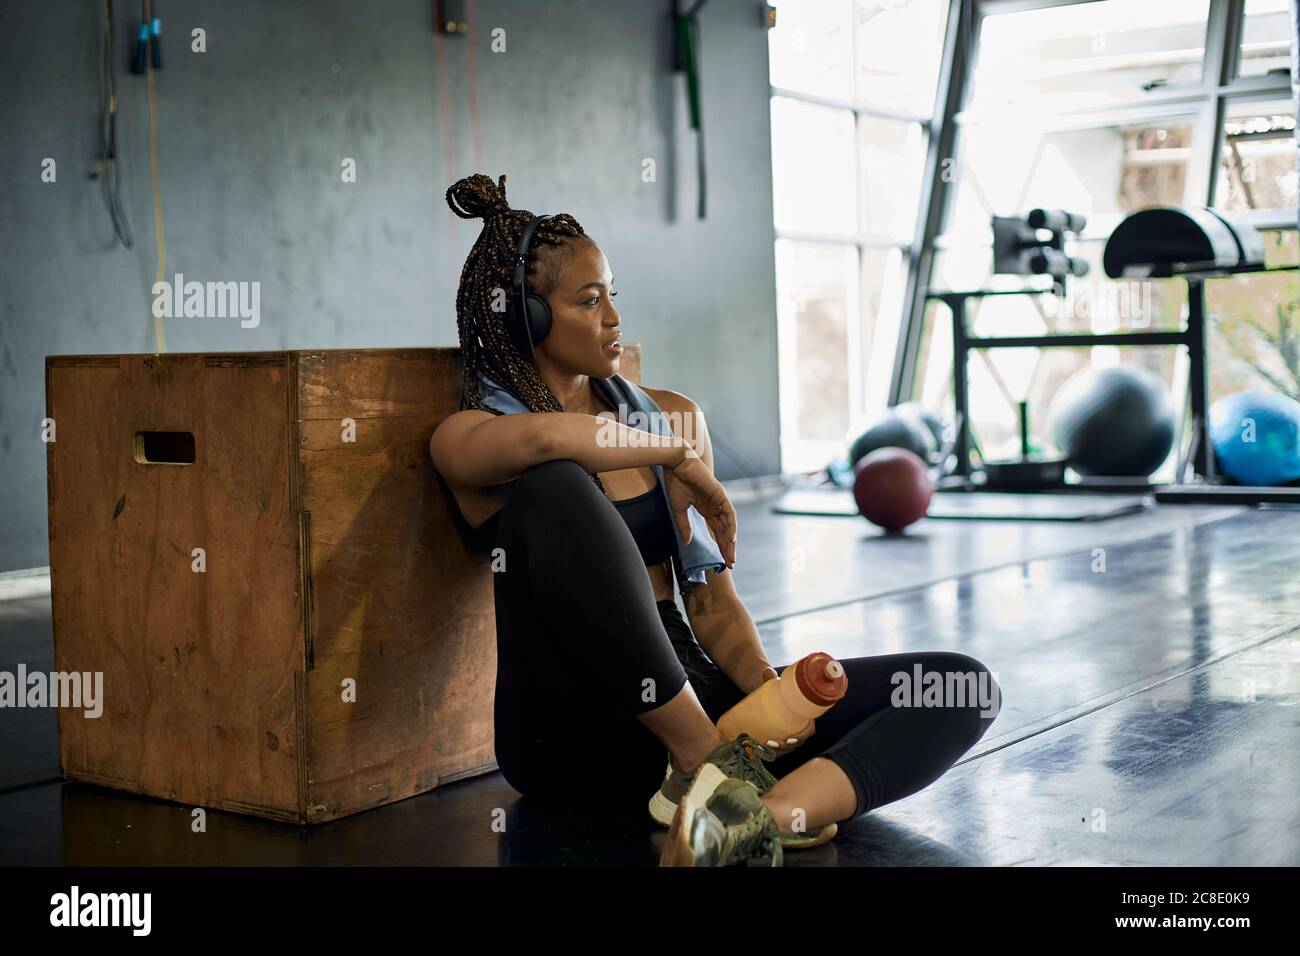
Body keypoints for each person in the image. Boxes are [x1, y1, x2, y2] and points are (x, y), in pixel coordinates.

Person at [430, 173, 1002, 867]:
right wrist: (675, 451)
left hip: (700, 702)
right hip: (570, 735)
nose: (613, 317)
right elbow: (548, 441)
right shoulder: (468, 437)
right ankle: (705, 766)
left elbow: (710, 601)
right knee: (556, 486)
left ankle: (746, 818)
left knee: (960, 687)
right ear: (529, 318)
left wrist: (768, 694)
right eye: (589, 300)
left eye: (614, 294)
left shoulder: (665, 409)